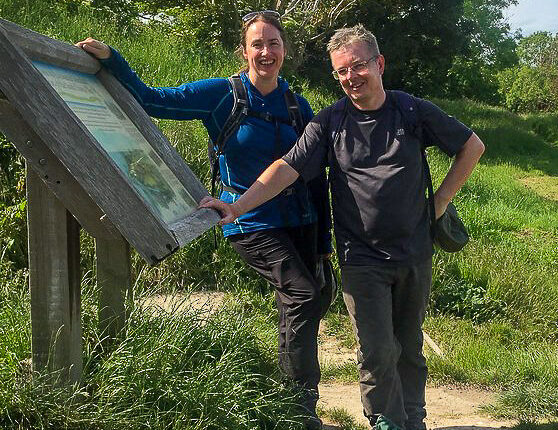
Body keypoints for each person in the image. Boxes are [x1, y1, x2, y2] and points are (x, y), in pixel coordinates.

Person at [200, 24, 485, 430]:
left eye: (358, 66)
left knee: (409, 346)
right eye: (341, 71)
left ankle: (414, 418)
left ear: (379, 63)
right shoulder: (330, 122)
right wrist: (238, 206)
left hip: (415, 252)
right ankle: (384, 419)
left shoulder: (411, 110)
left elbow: (471, 146)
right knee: (376, 348)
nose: (351, 77)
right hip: (361, 257)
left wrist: (438, 204)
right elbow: (287, 168)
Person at [77, 11, 331, 430]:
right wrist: (112, 59)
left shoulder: (295, 103)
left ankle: (286, 391)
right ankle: (300, 410)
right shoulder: (222, 95)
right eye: (257, 44)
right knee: (302, 294)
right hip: (248, 220)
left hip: (299, 220)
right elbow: (153, 100)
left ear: (285, 50)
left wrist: (322, 241)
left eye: (274, 44)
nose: (266, 52)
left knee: (314, 293)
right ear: (244, 50)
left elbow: (311, 170)